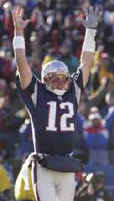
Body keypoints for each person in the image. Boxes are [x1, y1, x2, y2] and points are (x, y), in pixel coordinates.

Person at [12, 5, 98, 201]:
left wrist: (90, 33)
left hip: (67, 164)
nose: (60, 82)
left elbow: (86, 62)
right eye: (54, 78)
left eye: (63, 78)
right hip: (44, 165)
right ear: (45, 79)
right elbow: (22, 64)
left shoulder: (72, 92)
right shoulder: (37, 93)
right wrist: (18, 32)